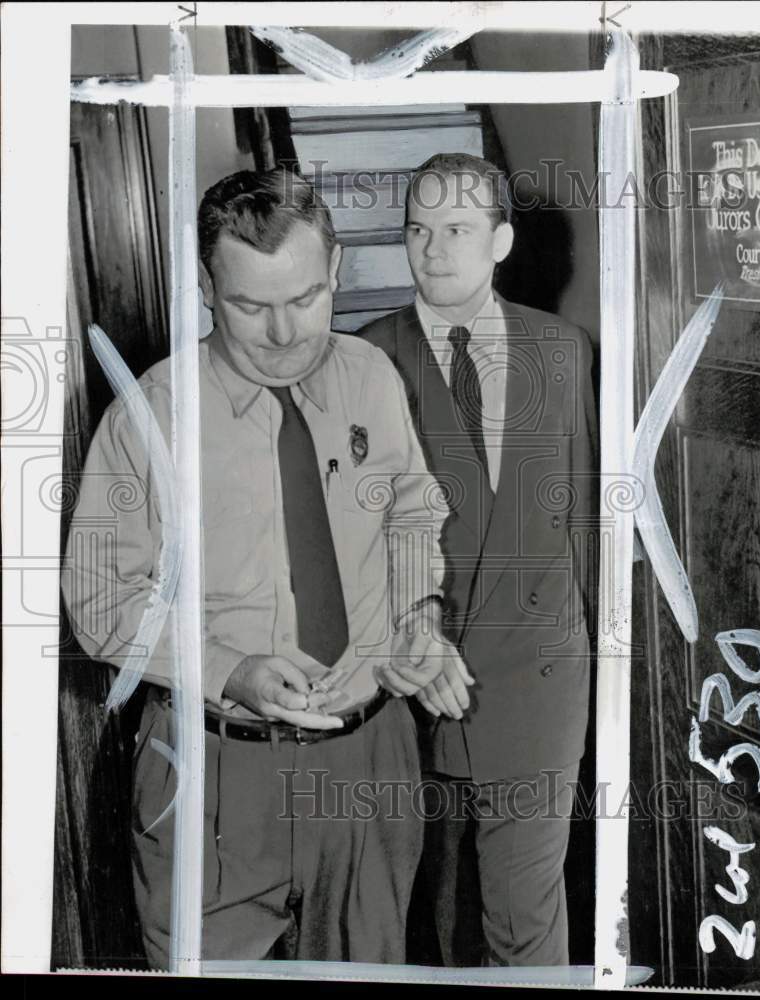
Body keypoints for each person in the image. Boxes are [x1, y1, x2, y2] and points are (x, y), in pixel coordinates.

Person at [62, 166, 466, 967]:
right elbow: (98, 597)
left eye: (306, 298)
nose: (286, 334)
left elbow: (413, 510)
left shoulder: (370, 378)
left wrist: (418, 615)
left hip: (370, 763)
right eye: (251, 306)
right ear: (207, 288)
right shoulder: (149, 416)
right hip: (216, 773)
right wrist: (227, 668)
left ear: (338, 268)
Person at [360, 152, 600, 967]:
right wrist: (401, 640)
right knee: (418, 914)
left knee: (526, 921)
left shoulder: (563, 350)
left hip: (536, 681)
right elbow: (347, 538)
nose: (433, 251)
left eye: (457, 230)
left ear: (500, 240)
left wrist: (593, 664)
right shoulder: (365, 356)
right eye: (417, 231)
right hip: (410, 680)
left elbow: (585, 521)